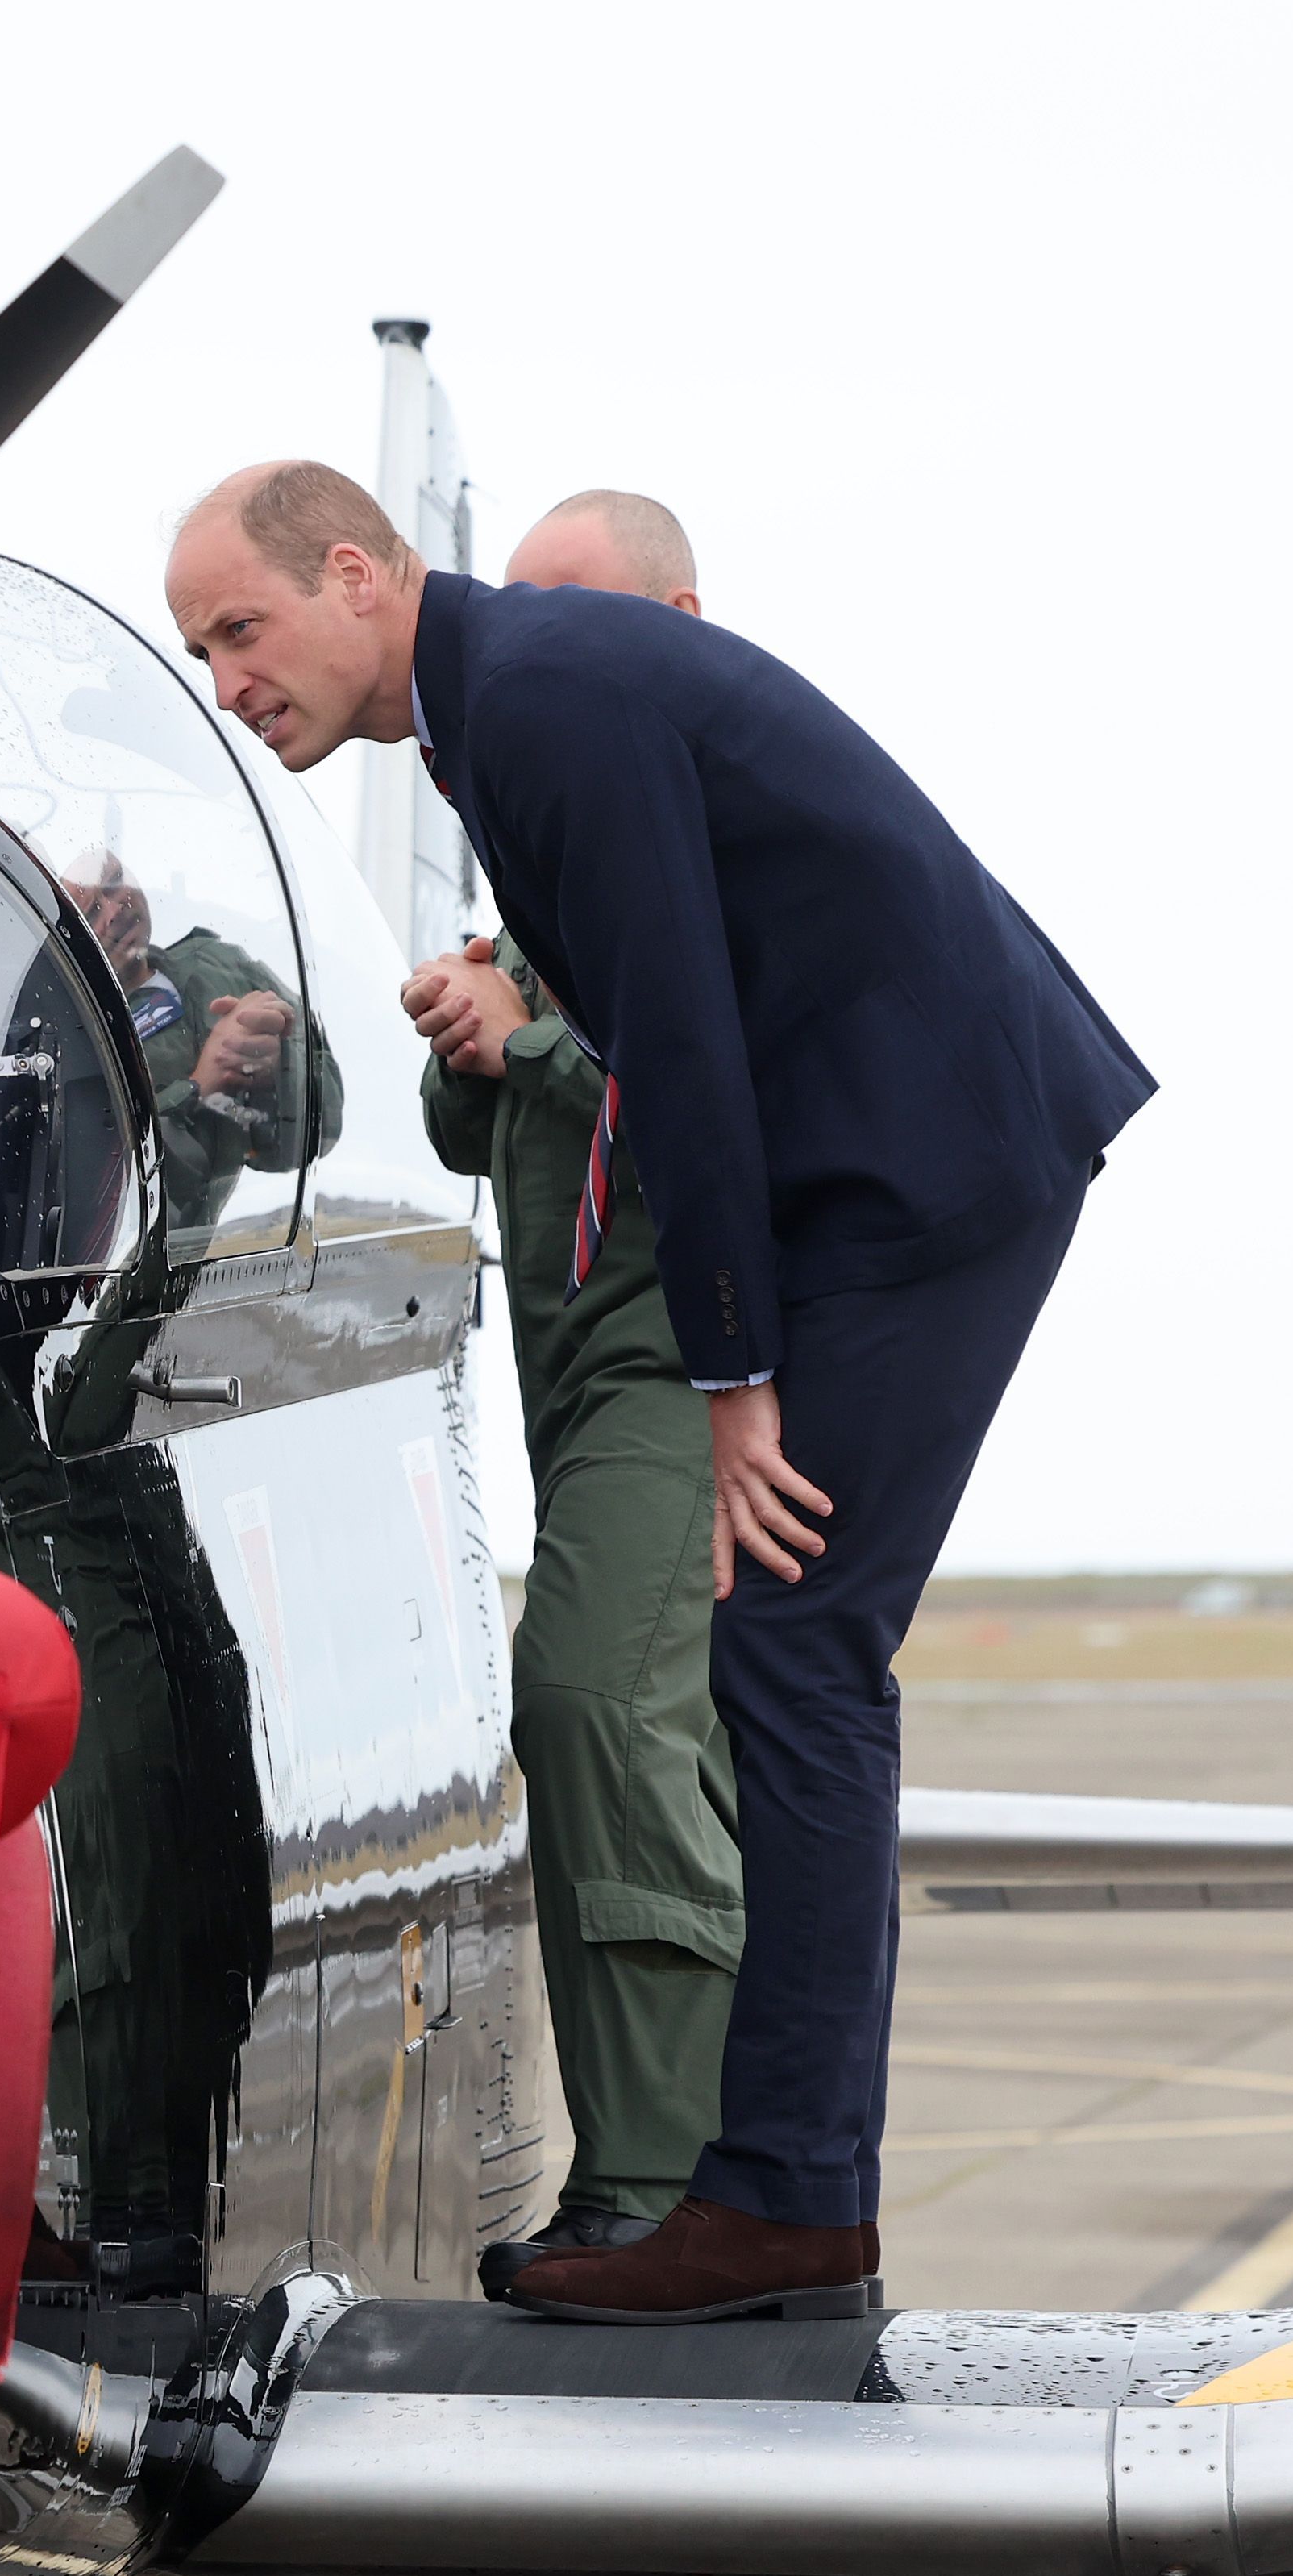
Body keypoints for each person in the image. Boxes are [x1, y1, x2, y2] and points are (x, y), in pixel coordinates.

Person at [164, 461, 1150, 2322]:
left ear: (357, 575)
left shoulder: (536, 698)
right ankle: (780, 2200)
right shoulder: (499, 710)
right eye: (200, 647)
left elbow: (675, 1037)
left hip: (920, 1163)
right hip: (892, 1160)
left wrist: (727, 1376)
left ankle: (775, 2206)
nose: (227, 676)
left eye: (241, 626)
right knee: (785, 1653)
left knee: (786, 1650)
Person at [403, 491, 739, 2295]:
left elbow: (700, 1070)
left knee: (600, 1708)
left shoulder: (706, 837)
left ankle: (661, 2178)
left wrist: (521, 1038)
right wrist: (468, 1015)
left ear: (677, 618)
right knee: (608, 1723)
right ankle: (657, 2170)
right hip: (571, 1388)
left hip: (684, 1367)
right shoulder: (549, 864)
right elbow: (484, 1123)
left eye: (574, 614)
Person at [57, 851, 331, 1234]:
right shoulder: (74, 1039)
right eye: (92, 910)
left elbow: (321, 1127)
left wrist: (277, 1067)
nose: (117, 907)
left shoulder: (220, 966)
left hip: (241, 1239)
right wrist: (199, 1087)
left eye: (116, 883)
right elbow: (106, 1197)